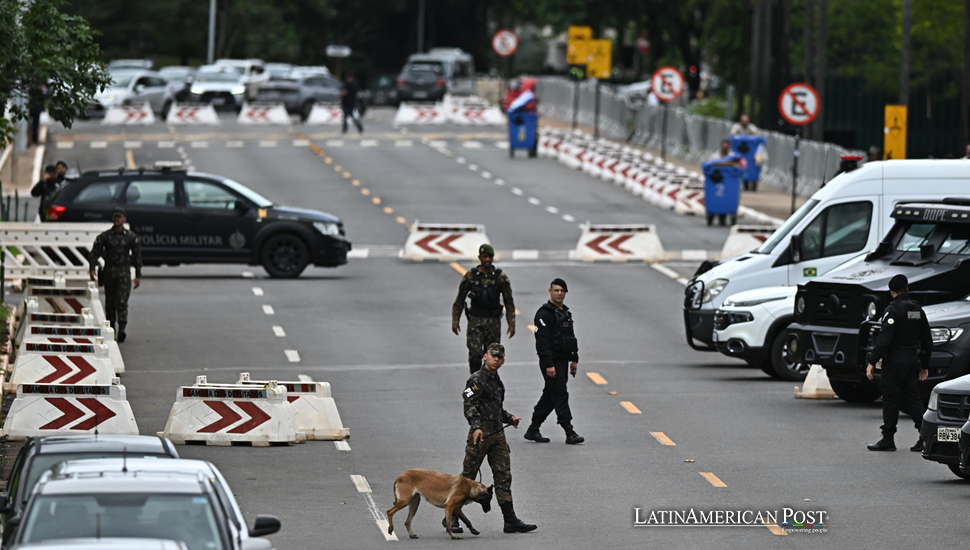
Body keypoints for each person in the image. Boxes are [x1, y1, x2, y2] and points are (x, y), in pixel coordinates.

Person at [457, 343, 536, 535]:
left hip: (498, 435)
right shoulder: (476, 379)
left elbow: (496, 408)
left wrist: (510, 418)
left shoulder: (497, 380)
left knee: (503, 476)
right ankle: (451, 516)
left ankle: (510, 520)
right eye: (493, 356)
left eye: (500, 357)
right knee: (468, 477)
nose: (497, 360)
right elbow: (469, 405)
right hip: (481, 434)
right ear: (485, 356)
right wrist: (476, 427)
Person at [865, 274, 931, 452]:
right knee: (913, 398)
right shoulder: (917, 309)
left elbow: (884, 339)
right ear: (907, 288)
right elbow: (927, 339)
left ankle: (888, 438)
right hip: (912, 359)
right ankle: (925, 437)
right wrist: (924, 365)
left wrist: (872, 361)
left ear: (891, 291)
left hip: (894, 361)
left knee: (891, 398)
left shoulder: (892, 310)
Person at [525, 278, 584, 445]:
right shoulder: (544, 314)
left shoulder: (565, 313)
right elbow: (542, 343)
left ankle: (533, 429)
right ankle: (569, 431)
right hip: (550, 362)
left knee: (550, 395)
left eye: (562, 291)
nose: (559, 293)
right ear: (550, 291)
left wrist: (574, 359)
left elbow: (571, 338)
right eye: (556, 290)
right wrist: (549, 364)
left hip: (562, 361)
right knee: (560, 394)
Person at [452, 244, 515, 373]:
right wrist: (455, 320)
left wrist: (511, 323)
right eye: (485, 256)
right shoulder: (470, 277)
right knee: (475, 354)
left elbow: (509, 302)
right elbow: (459, 300)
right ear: (479, 257)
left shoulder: (500, 277)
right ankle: (475, 380)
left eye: (490, 257)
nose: (487, 260)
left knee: (492, 358)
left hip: (493, 322)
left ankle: (489, 384)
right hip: (475, 321)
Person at [88, 207, 142, 343]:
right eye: (115, 216)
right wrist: (92, 268)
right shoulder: (105, 236)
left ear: (124, 219)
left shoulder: (131, 237)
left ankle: (122, 328)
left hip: (123, 273)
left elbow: (137, 256)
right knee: (110, 303)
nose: (117, 219)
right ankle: (112, 328)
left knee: (122, 302)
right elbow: (95, 252)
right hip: (109, 273)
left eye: (120, 217)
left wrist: (138, 275)